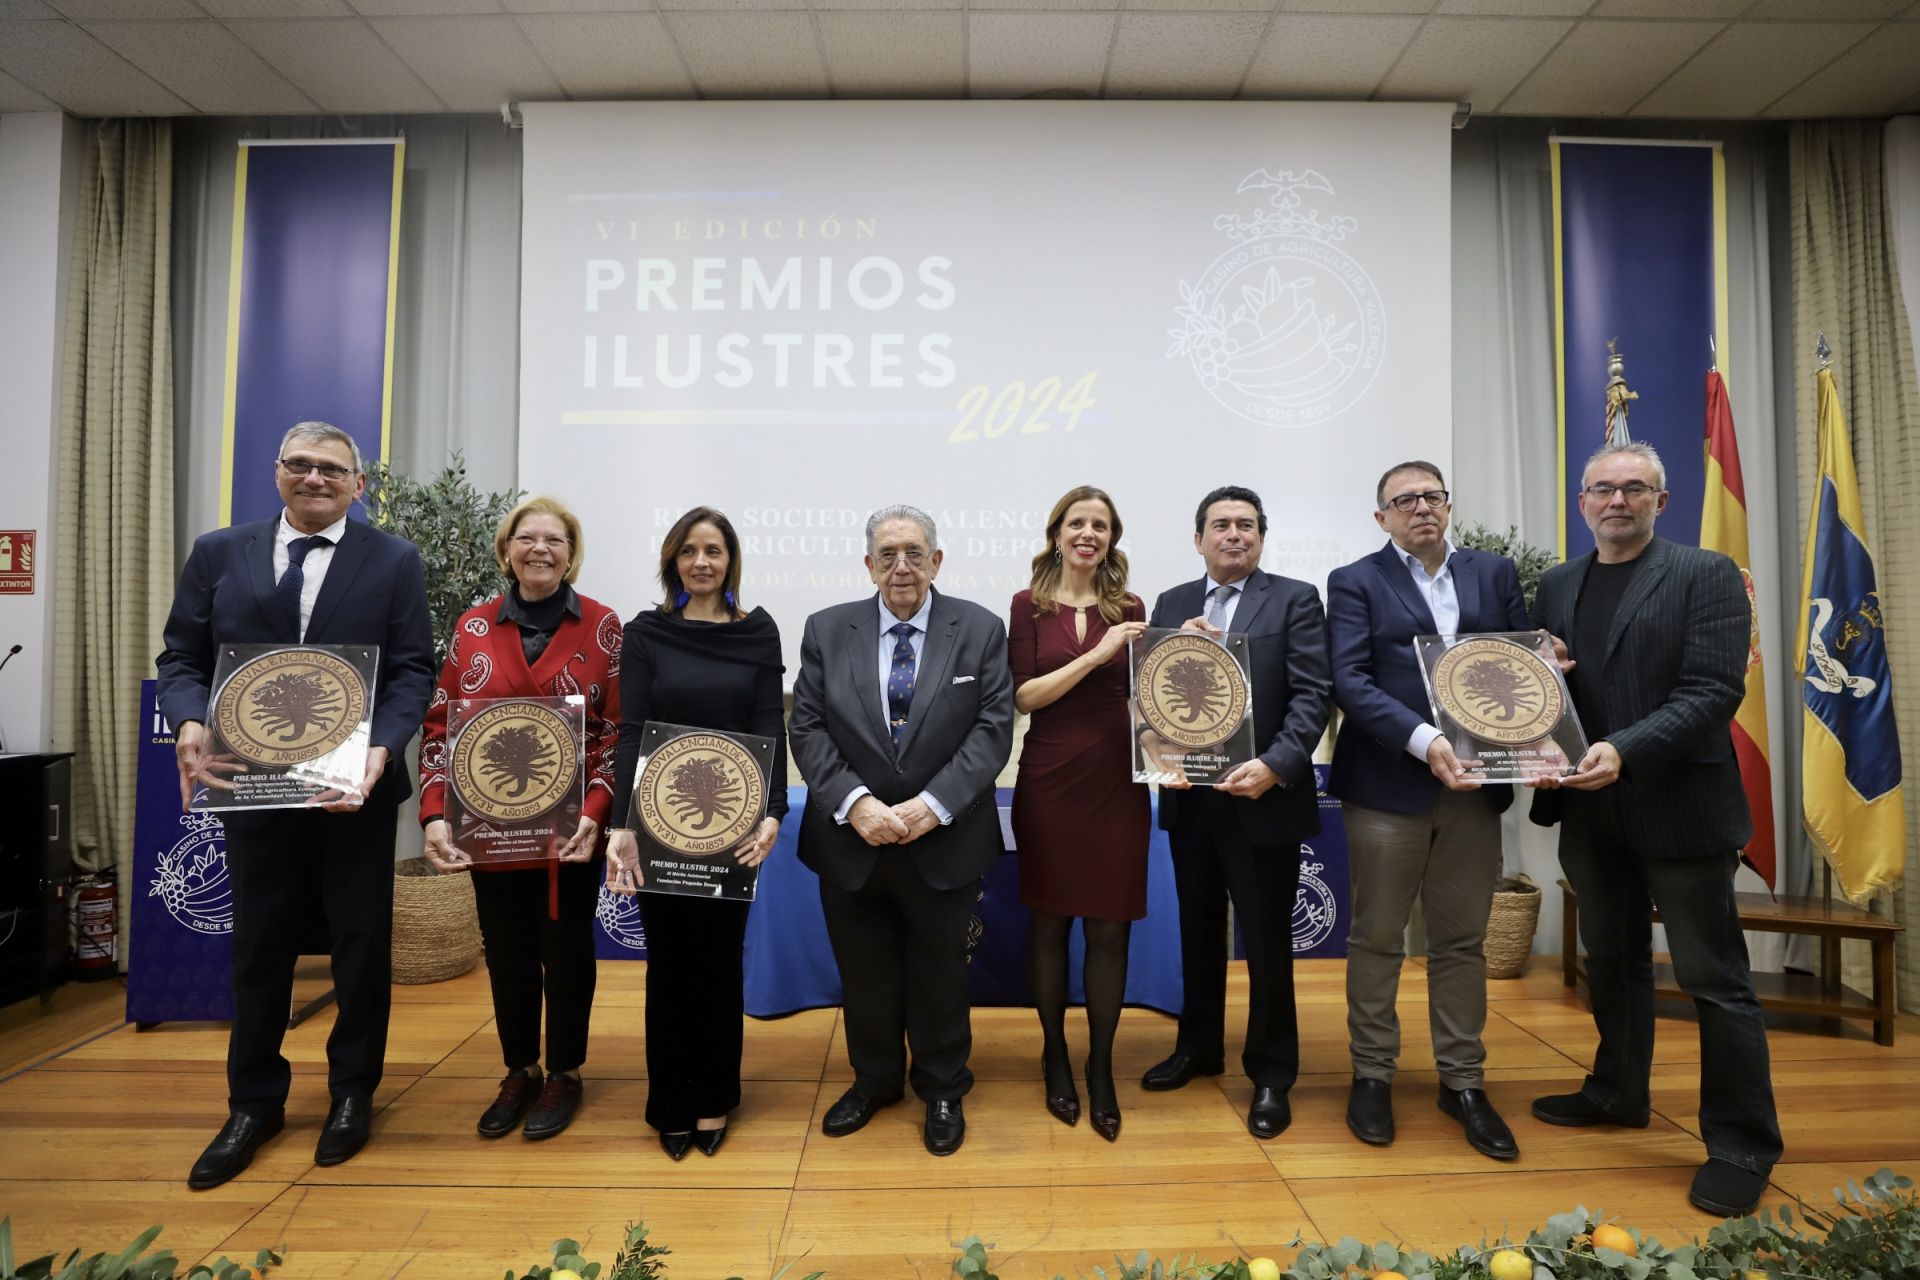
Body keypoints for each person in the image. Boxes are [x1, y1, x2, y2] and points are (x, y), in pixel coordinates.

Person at [157, 421, 435, 1189]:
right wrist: (187, 719)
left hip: (355, 789)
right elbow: (182, 654)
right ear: (277, 471)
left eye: (333, 470)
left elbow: (414, 668)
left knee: (360, 944)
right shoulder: (221, 552)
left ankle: (352, 1094)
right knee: (260, 944)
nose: (317, 479)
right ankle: (253, 1101)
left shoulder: (393, 559)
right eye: (302, 466)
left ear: (359, 484)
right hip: (250, 784)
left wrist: (383, 749)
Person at [1529, 440, 1782, 1215]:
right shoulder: (1558, 584)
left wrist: (1623, 750)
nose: (1617, 501)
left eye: (1634, 489)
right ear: (1582, 503)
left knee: (1714, 980)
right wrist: (1539, 740)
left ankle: (1742, 1142)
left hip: (1681, 806)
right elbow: (1554, 694)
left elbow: (1712, 691)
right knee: (1612, 963)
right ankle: (1617, 1092)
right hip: (1590, 808)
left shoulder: (1707, 576)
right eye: (1602, 489)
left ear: (1659, 502)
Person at [788, 505, 1014, 1157]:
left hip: (943, 840)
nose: (901, 567)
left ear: (937, 560)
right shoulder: (827, 630)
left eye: (914, 553)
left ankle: (943, 1087)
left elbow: (993, 728)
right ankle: (876, 1080)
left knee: (942, 972)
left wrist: (931, 806)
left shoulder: (979, 629)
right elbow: (806, 727)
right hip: (851, 840)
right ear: (868, 565)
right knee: (866, 973)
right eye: (887, 555)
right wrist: (856, 803)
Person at [1325, 461, 1533, 1160]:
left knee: (1460, 942)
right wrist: (1425, 740)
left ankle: (1463, 1081)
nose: (1421, 508)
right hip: (1388, 786)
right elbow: (1349, 680)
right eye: (1404, 500)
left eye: (1432, 496)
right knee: (1379, 938)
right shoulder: (1356, 581)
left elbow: (1518, 663)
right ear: (1381, 517)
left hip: (1475, 791)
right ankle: (1373, 1075)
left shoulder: (1493, 574)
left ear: (1449, 506)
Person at [418, 496, 622, 1142]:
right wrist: (433, 814)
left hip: (573, 832)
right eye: (527, 538)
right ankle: (519, 1068)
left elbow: (617, 733)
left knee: (566, 954)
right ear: (506, 549)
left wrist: (596, 811)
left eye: (554, 539)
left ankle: (565, 1070)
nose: (540, 549)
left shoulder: (604, 626)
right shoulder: (473, 626)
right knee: (506, 952)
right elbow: (439, 725)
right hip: (490, 831)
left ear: (572, 552)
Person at [1139, 485, 1332, 1140]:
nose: (1234, 535)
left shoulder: (1296, 599)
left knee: (1266, 941)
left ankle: (1273, 1071)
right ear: (1199, 539)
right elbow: (1154, 695)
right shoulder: (1170, 603)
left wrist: (1275, 764)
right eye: (1221, 525)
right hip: (1192, 802)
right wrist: (1157, 749)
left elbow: (1313, 696)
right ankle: (1198, 1047)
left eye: (1246, 525)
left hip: (1262, 799)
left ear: (1261, 537)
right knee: (1198, 930)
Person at [604, 507, 786, 1161]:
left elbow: (770, 727)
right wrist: (620, 824)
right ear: (672, 560)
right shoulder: (648, 632)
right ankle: (670, 1104)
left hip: (734, 829)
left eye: (714, 550)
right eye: (689, 551)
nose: (702, 561)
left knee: (718, 966)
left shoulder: (759, 632)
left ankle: (714, 1097)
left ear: (731, 559)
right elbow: (631, 730)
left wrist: (774, 812)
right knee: (671, 966)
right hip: (658, 827)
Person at [1008, 485, 1150, 1142]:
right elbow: (1026, 697)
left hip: (1117, 784)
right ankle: (1054, 1055)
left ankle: (1099, 1068)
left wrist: (1199, 653)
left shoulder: (1132, 608)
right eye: (1077, 522)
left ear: (1111, 538)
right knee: (1048, 926)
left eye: (1100, 524)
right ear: (1057, 533)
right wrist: (1097, 654)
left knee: (1110, 931)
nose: (1088, 532)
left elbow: (1149, 694)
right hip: (1050, 779)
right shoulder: (1027, 606)